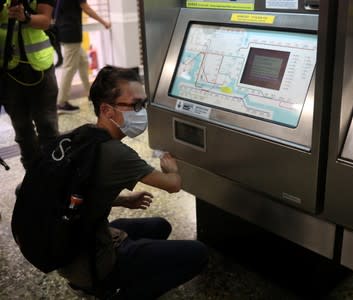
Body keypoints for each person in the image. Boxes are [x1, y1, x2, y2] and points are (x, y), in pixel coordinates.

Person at [57, 65, 209, 299]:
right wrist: (173, 168)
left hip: (70, 248)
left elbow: (77, 193)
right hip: (92, 261)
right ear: (107, 111)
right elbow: (173, 184)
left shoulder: (83, 135)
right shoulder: (116, 154)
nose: (141, 112)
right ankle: (113, 290)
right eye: (135, 105)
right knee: (198, 254)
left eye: (143, 104)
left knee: (160, 226)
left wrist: (123, 200)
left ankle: (88, 283)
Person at [0, 0, 59, 170]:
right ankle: (33, 176)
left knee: (47, 125)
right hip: (8, 70)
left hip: (40, 68)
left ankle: (55, 174)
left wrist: (25, 17)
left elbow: (45, 21)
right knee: (22, 129)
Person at [55, 0, 111, 113]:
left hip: (67, 31)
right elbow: (87, 9)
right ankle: (61, 103)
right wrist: (104, 22)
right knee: (69, 68)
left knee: (83, 62)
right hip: (71, 33)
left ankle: (90, 94)